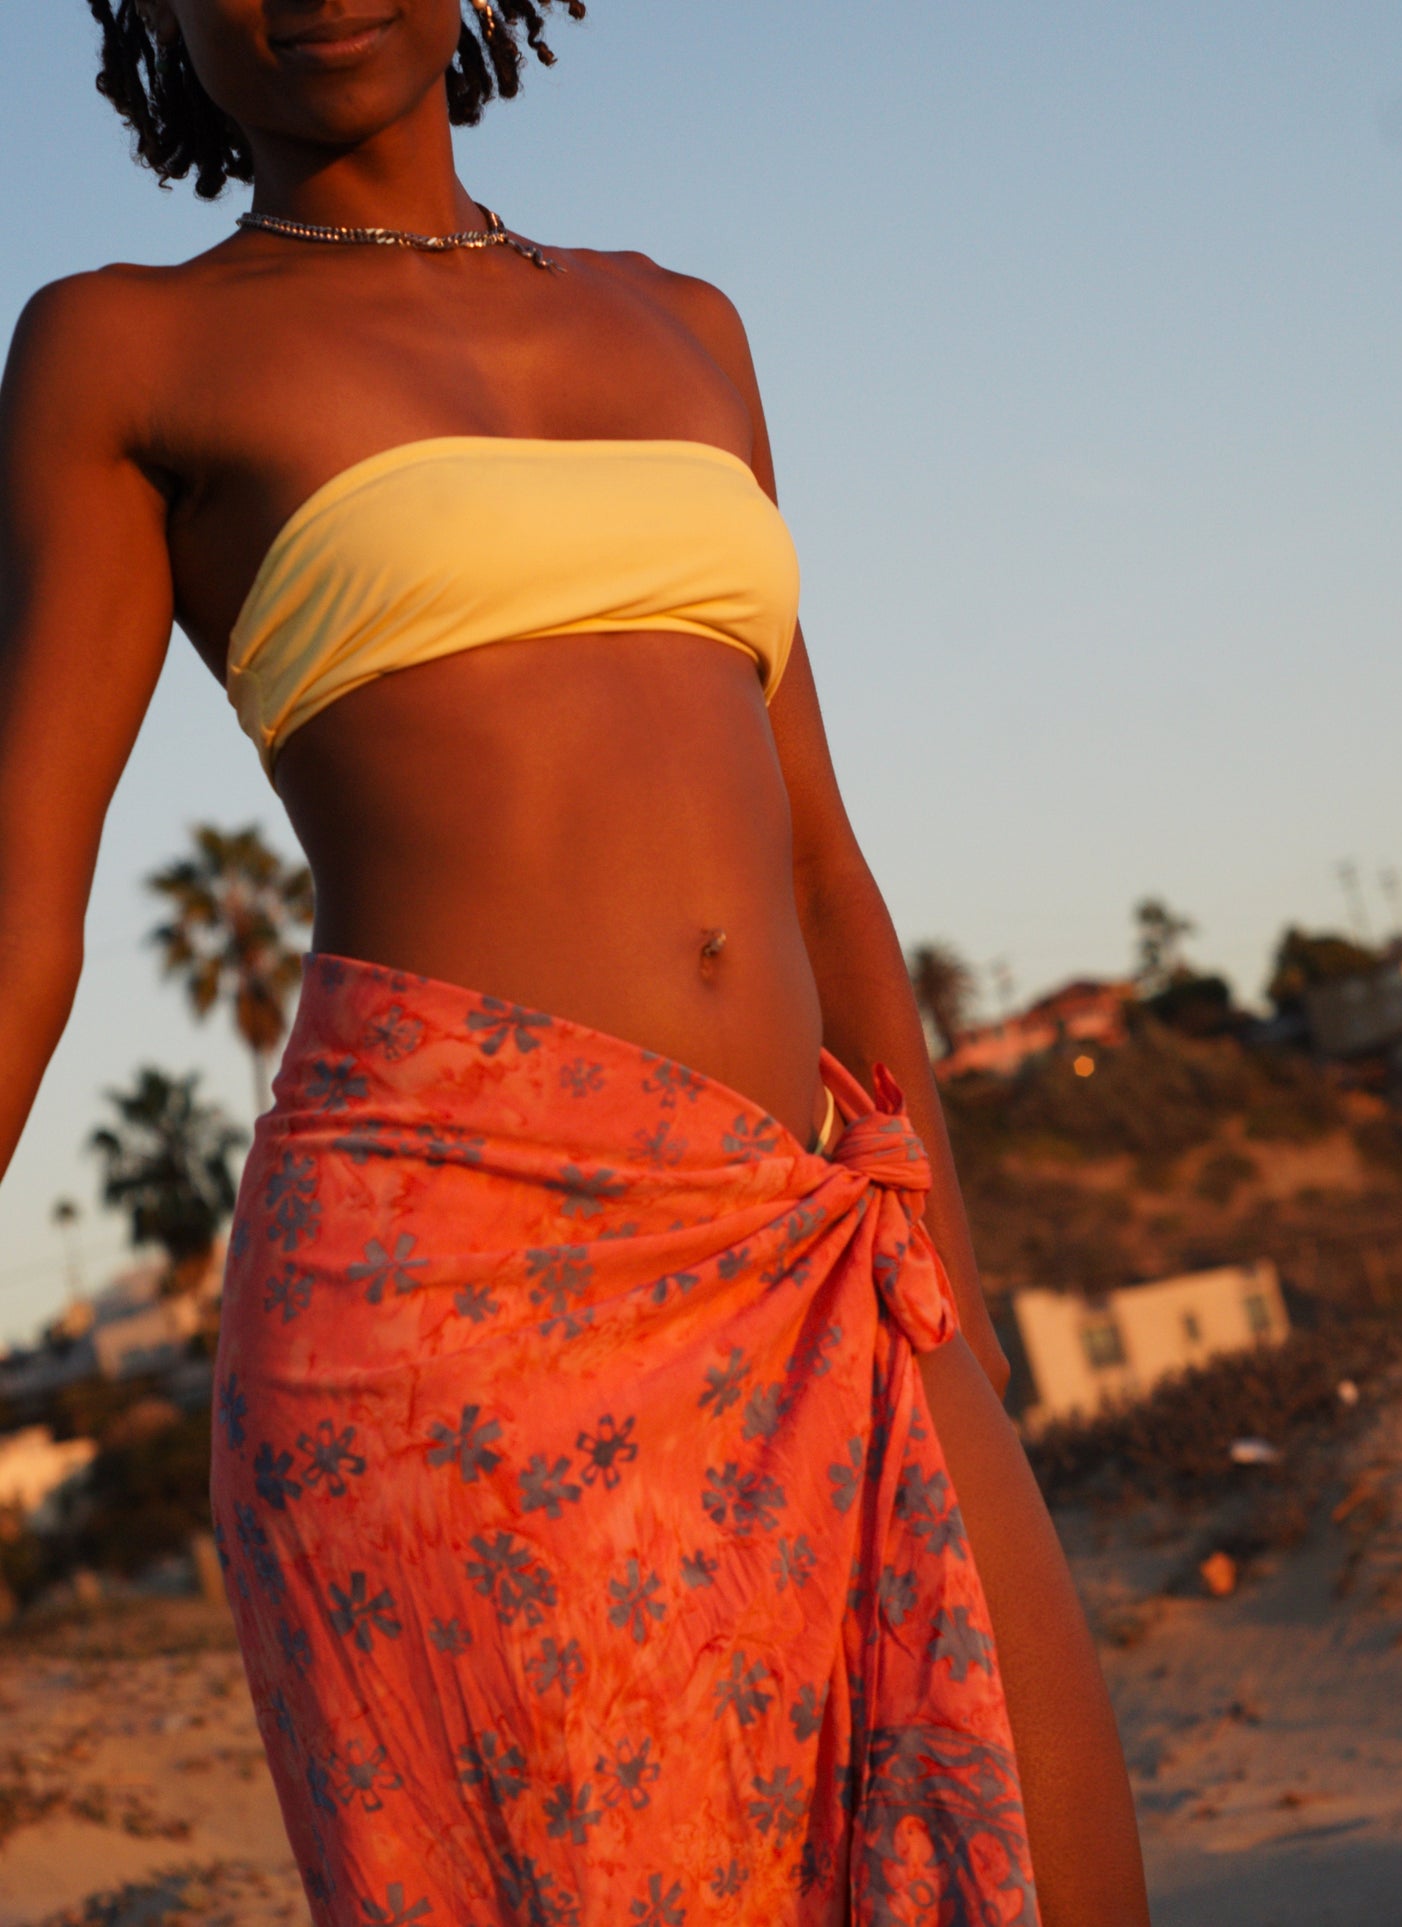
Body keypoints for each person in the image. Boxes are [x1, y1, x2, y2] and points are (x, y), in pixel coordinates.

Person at [0, 3, 1150, 1920]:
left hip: (808, 1243)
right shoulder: (128, 347)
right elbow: (21, 906)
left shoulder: (684, 322)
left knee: (1042, 1858)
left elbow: (821, 866)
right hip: (441, 1301)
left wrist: (950, 1301)